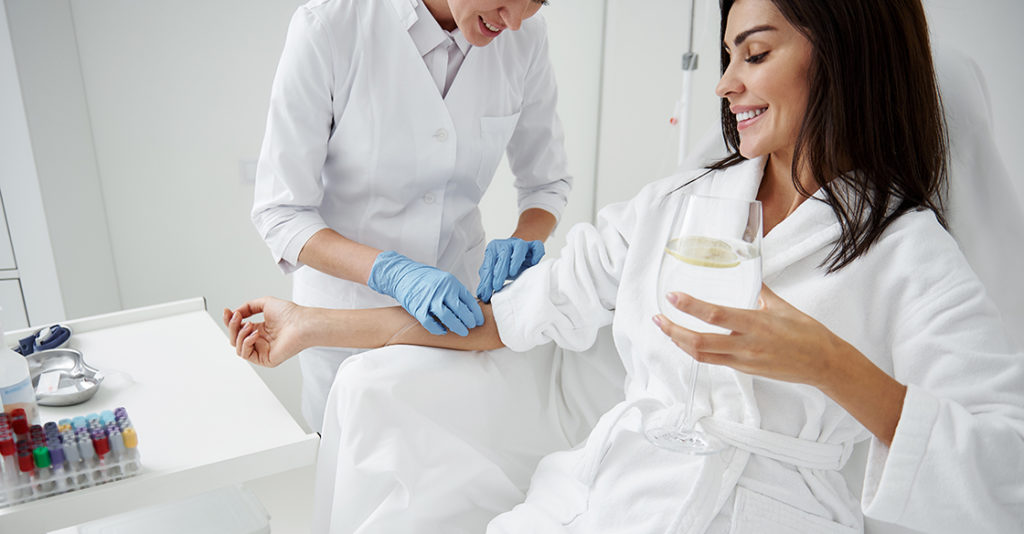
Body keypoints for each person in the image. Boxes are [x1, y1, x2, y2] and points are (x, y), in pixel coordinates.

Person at [228, 0, 1024, 532]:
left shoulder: (907, 251)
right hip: (603, 489)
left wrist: (829, 364)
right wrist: (314, 321)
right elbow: (511, 315)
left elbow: (1005, 470)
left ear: (843, 56)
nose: (725, 84)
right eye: (726, 56)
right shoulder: (682, 204)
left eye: (753, 53)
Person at [249, 0, 573, 432]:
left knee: (453, 467)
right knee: (354, 478)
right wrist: (392, 272)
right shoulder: (329, 27)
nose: (513, 21)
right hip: (344, 322)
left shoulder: (524, 40)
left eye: (535, 3)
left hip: (456, 316)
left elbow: (546, 183)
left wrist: (526, 237)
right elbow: (281, 212)